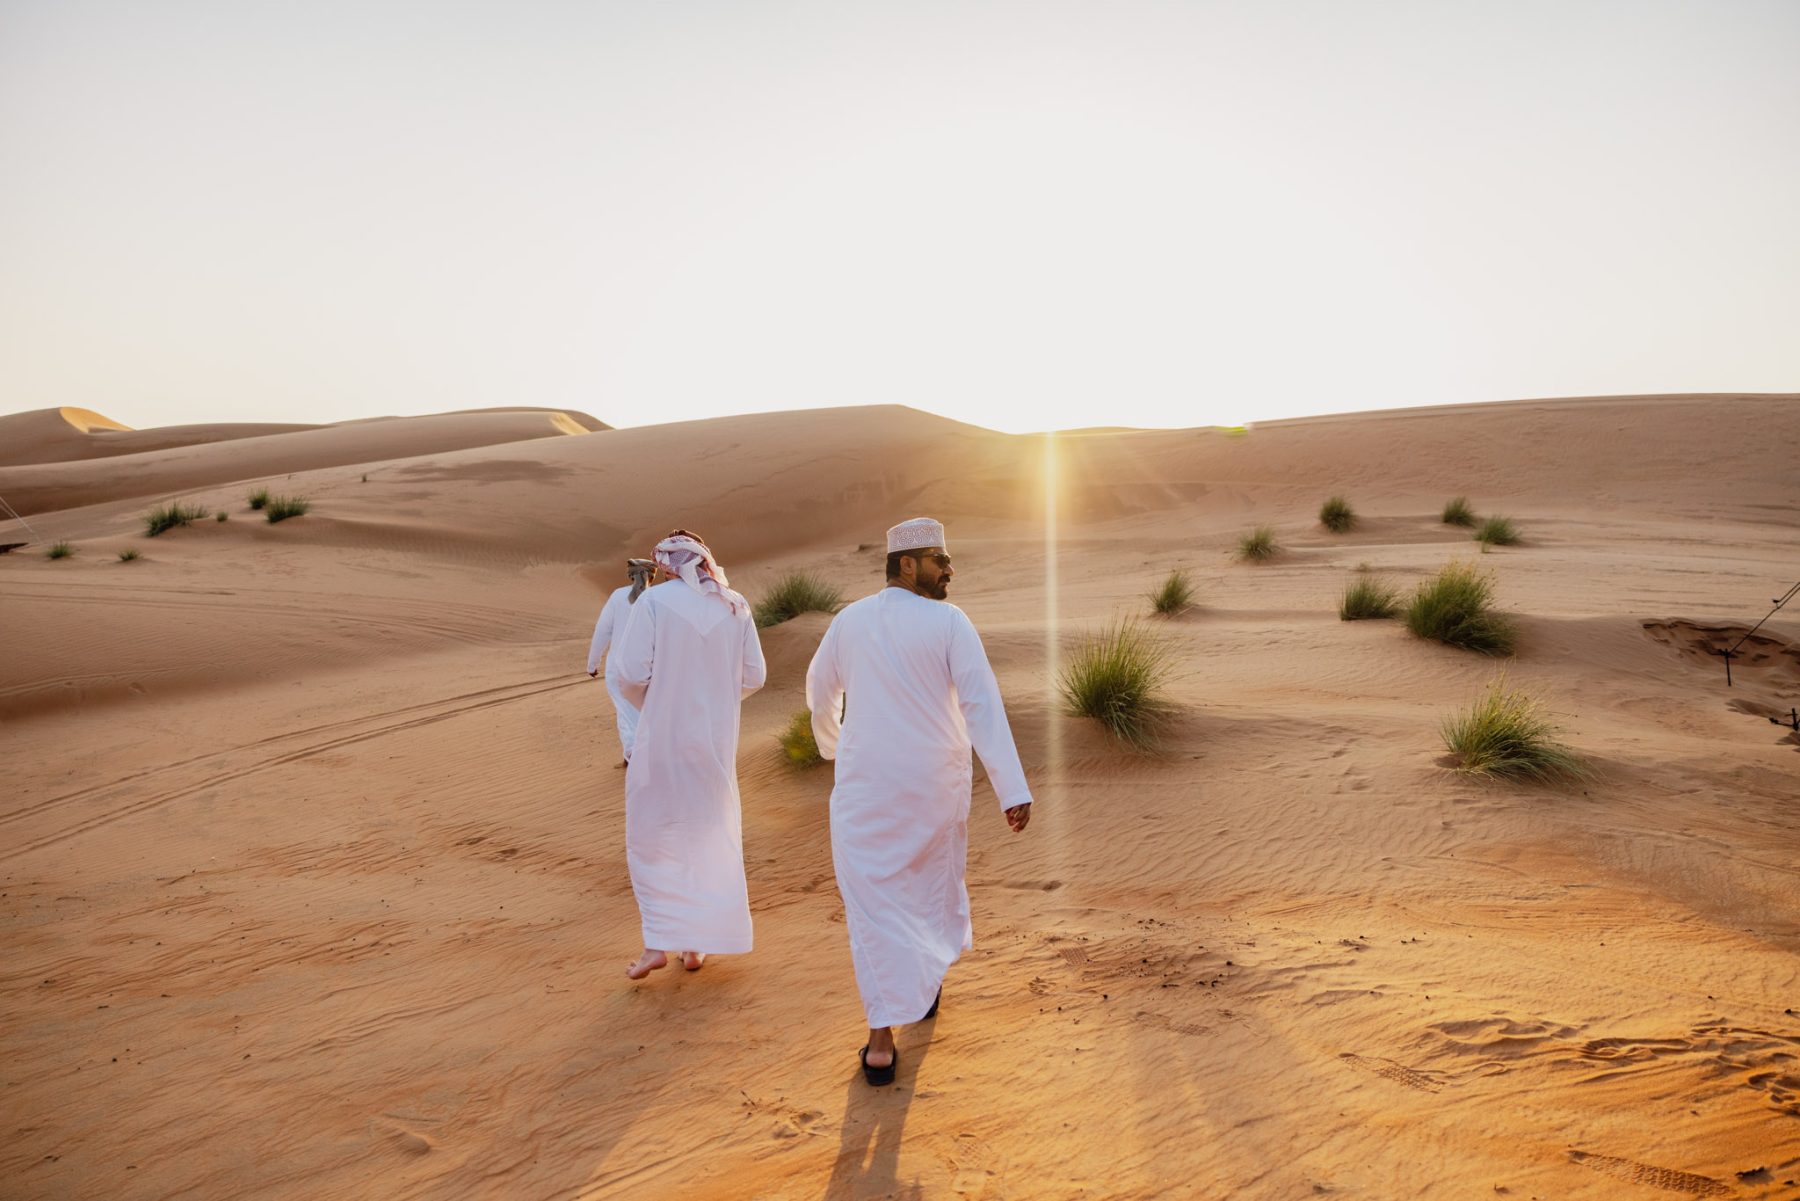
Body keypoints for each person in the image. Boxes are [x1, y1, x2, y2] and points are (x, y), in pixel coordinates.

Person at [805, 516, 1033, 1085]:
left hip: (865, 786)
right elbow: (982, 705)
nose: (950, 570)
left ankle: (882, 1035)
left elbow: (818, 690)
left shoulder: (848, 621)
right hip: (933, 785)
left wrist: (833, 743)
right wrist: (1012, 788)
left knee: (874, 902)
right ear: (907, 564)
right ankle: (918, 990)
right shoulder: (951, 623)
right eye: (940, 560)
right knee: (929, 888)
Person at [611, 530, 767, 980]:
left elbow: (630, 672)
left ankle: (657, 944)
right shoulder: (735, 605)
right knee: (705, 834)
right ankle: (695, 946)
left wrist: (657, 706)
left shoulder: (655, 603)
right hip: (715, 744)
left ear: (666, 565)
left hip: (662, 740)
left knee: (655, 836)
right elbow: (755, 675)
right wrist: (714, 701)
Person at [586, 558, 656, 765]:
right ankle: (650, 753)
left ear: (630, 575)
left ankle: (632, 755)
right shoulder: (657, 598)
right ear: (653, 575)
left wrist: (592, 664)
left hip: (618, 668)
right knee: (649, 711)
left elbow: (602, 631)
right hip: (651, 667)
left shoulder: (618, 596)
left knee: (625, 712)